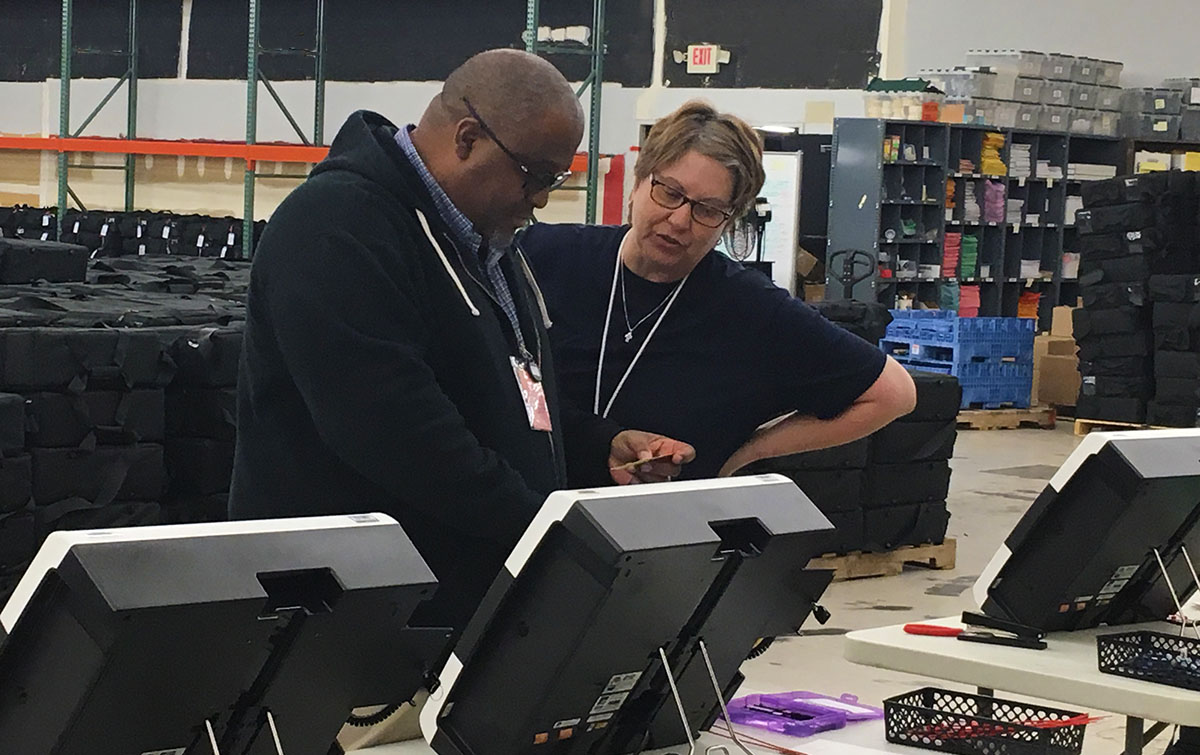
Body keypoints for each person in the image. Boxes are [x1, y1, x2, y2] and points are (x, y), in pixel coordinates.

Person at [230, 50, 696, 642]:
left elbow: (507, 400)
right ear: (468, 138)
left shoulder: (487, 244)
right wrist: (555, 539)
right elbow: (400, 434)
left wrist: (594, 445)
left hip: (455, 610)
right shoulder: (337, 227)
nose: (543, 199)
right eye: (536, 175)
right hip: (346, 623)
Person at [519, 101, 916, 482]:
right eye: (669, 192)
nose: (678, 220)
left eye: (707, 210)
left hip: (659, 532)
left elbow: (893, 394)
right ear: (637, 184)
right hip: (523, 511)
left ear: (728, 221)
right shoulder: (542, 257)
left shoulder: (751, 309)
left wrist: (748, 453)